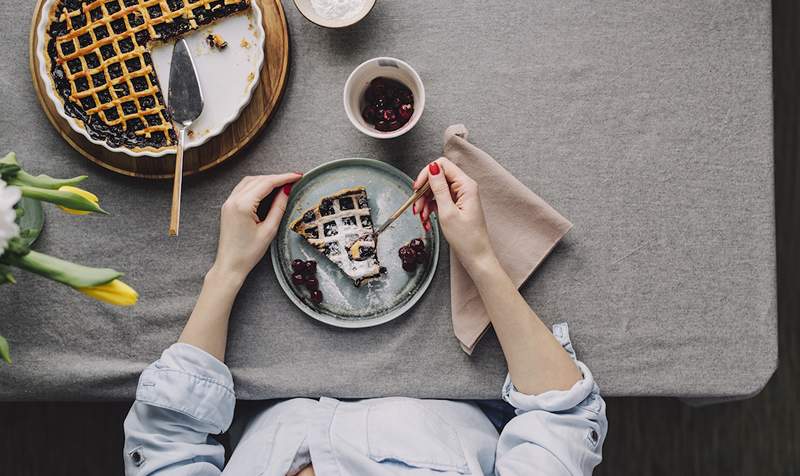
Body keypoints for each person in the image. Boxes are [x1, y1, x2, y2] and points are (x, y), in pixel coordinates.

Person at [123, 158, 607, 475]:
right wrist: (481, 259)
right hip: (456, 383)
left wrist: (226, 272)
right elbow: (561, 417)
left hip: (259, 386)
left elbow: (167, 441)